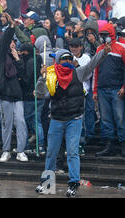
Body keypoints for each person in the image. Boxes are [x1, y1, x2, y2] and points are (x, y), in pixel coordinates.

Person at [35, 46, 109, 197]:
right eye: (64, 59)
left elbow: (92, 64)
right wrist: (42, 77)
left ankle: (73, 184)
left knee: (73, 152)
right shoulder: (50, 75)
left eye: (69, 59)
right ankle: (47, 184)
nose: (67, 62)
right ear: (57, 61)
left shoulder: (78, 73)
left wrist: (103, 52)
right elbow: (41, 94)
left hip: (74, 119)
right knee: (51, 152)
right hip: (56, 118)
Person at [0, 13, 28, 163]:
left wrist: (17, 59)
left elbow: (24, 75)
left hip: (18, 94)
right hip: (5, 94)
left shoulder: (18, 58)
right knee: (6, 124)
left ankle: (21, 150)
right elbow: (4, 42)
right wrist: (11, 27)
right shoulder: (2, 55)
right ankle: (6, 150)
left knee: (20, 122)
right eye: (11, 41)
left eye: (14, 42)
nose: (12, 44)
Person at [94, 24, 125, 157]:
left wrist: (124, 87)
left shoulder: (121, 48)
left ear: (112, 34)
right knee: (106, 119)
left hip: (117, 89)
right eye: (102, 34)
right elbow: (96, 70)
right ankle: (110, 144)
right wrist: (95, 90)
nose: (104, 37)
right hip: (102, 89)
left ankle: (123, 144)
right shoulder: (99, 49)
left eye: (106, 34)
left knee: (120, 118)